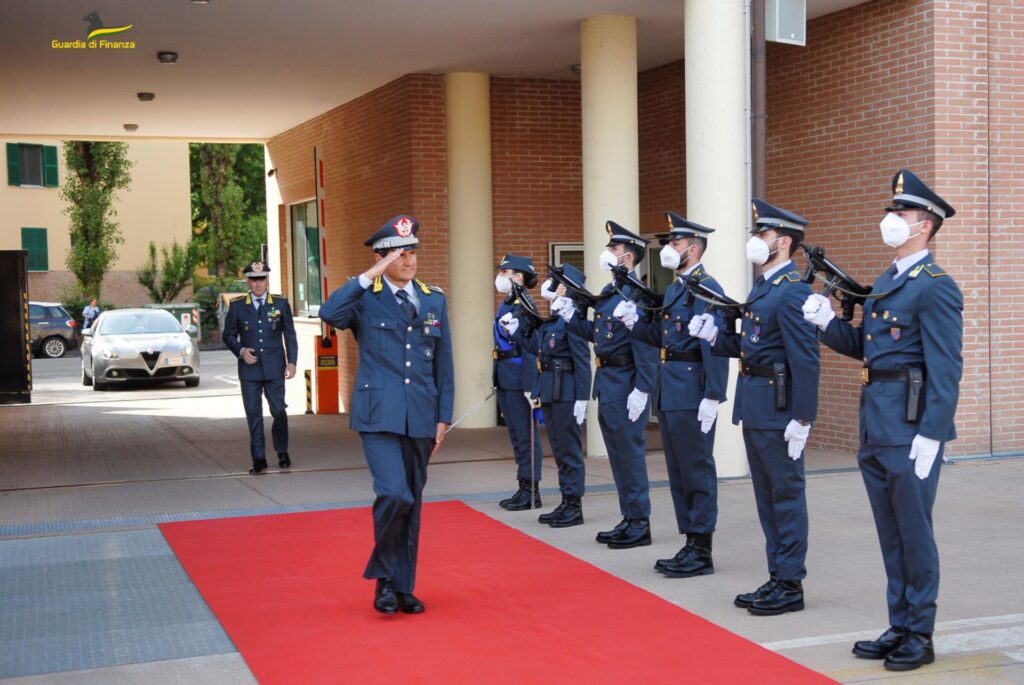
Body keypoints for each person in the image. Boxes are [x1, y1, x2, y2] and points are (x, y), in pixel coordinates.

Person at [802, 170, 963, 671]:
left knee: (914, 531)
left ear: (924, 226)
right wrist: (828, 324)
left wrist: (933, 433)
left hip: (911, 427)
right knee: (891, 533)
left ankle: (921, 633)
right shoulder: (891, 281)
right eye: (890, 211)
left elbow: (945, 365)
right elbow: (869, 352)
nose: (889, 219)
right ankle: (900, 622)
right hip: (877, 423)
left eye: (900, 213)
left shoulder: (934, 287)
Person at [689, 199, 820, 615]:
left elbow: (805, 359)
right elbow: (753, 347)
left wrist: (803, 417)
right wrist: (715, 337)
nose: (755, 240)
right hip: (757, 404)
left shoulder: (794, 291)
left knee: (785, 495)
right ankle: (777, 575)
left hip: (779, 409)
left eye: (762, 234)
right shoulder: (764, 287)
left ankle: (790, 583)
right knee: (767, 497)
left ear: (782, 242)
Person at [319, 214, 453, 615]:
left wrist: (443, 416)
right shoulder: (364, 298)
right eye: (400, 254)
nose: (410, 261)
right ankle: (383, 580)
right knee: (394, 493)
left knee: (412, 503)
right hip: (378, 415)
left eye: (412, 252)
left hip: (421, 415)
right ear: (382, 259)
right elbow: (329, 313)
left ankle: (402, 587)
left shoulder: (433, 298)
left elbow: (444, 364)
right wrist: (367, 276)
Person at [614, 212, 728, 577]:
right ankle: (690, 541)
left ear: (692, 249)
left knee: (696, 469)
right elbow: (664, 340)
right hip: (670, 387)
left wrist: (713, 394)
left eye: (675, 243)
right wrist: (635, 323)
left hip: (692, 391)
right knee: (678, 471)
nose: (668, 248)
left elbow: (715, 343)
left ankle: (703, 548)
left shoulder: (706, 287)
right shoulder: (678, 287)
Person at [553, 221, 659, 549]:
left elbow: (645, 346)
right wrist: (573, 318)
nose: (607, 253)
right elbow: (598, 337)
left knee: (630, 455)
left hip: (627, 384)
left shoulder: (635, 296)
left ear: (627, 257)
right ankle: (628, 517)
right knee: (618, 456)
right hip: (609, 383)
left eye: (613, 249)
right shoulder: (612, 293)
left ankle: (640, 522)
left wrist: (643, 388)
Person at [501, 264, 592, 527]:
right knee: (560, 450)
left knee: (569, 451)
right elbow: (538, 349)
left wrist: (582, 399)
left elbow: (582, 361)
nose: (550, 285)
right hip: (551, 388)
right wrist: (516, 331)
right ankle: (566, 502)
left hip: (567, 391)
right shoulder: (554, 318)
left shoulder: (572, 319)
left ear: (568, 288)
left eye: (556, 282)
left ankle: (574, 506)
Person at [222, 261, 298, 474]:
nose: (258, 284)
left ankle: (282, 450)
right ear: (248, 281)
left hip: (275, 368)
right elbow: (228, 335)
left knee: (279, 410)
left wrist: (292, 362)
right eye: (254, 280)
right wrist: (241, 350)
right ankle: (259, 458)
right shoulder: (238, 306)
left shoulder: (281, 304)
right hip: (250, 370)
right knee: (254, 414)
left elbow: (289, 334)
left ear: (267, 280)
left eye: (261, 279)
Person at [492, 255, 545, 511]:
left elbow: (530, 348)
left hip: (518, 376)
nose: (501, 275)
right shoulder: (510, 302)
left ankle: (531, 489)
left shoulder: (525, 304)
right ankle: (523, 485)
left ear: (520, 276)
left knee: (525, 436)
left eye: (507, 271)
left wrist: (529, 385)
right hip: (505, 376)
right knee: (515, 435)